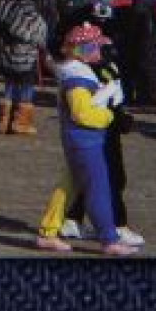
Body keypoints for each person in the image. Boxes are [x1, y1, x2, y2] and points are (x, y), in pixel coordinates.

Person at [34, 22, 139, 256]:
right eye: (95, 47)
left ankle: (48, 232)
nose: (99, 52)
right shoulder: (77, 76)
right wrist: (109, 116)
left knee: (68, 187)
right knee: (98, 187)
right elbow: (81, 113)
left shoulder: (73, 70)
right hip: (85, 140)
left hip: (78, 140)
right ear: (84, 50)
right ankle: (109, 239)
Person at [0, 0, 48, 135]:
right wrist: (39, 41)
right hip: (27, 53)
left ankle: (3, 122)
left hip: (8, 50)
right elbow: (40, 27)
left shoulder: (0, 5)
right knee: (26, 86)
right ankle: (21, 122)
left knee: (9, 84)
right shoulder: (27, 5)